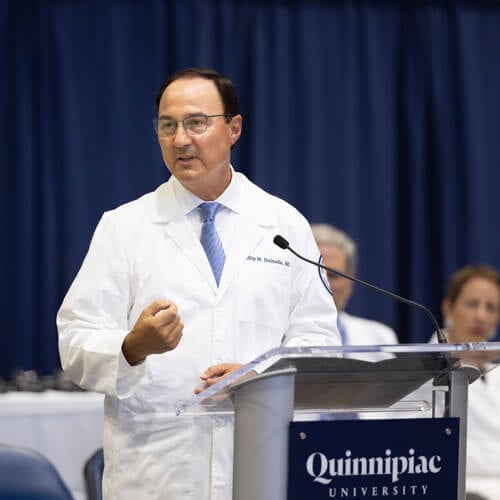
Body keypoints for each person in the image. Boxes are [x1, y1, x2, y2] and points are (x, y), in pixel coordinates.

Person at [57, 68, 340, 500]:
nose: (180, 139)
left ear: (234, 128)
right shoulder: (124, 227)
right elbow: (74, 341)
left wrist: (258, 375)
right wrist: (132, 347)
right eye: (167, 126)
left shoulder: (283, 224)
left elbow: (319, 341)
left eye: (196, 122)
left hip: (259, 466)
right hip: (155, 474)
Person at [430, 265, 500, 500]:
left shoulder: (497, 373)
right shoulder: (423, 369)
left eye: (491, 307)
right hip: (458, 489)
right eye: (472, 304)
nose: (481, 316)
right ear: (448, 308)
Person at [311, 223, 398, 345]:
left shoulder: (380, 338)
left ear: (350, 280)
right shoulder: (276, 335)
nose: (324, 286)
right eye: (315, 276)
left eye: (333, 276)